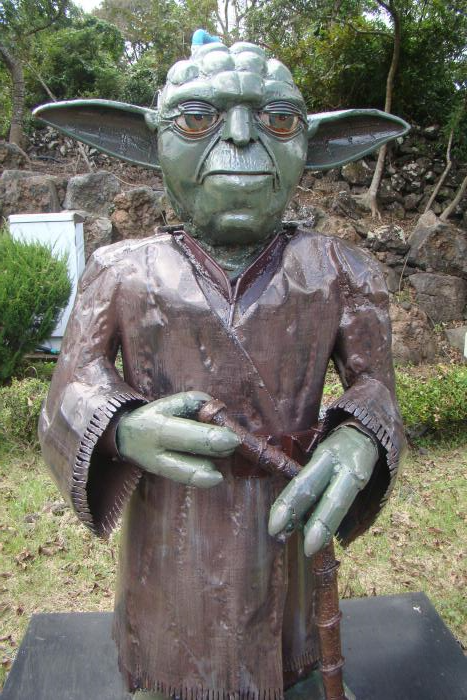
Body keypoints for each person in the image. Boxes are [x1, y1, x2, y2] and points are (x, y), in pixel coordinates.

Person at [36, 31, 407, 700]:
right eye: (197, 118)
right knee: (169, 649)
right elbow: (72, 384)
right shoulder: (119, 271)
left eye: (277, 119)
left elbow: (376, 385)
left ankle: (294, 673)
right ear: (151, 140)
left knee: (287, 648)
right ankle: (163, 678)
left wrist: (359, 436)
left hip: (283, 519)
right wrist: (120, 428)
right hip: (170, 523)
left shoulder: (342, 271)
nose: (239, 137)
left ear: (312, 144)